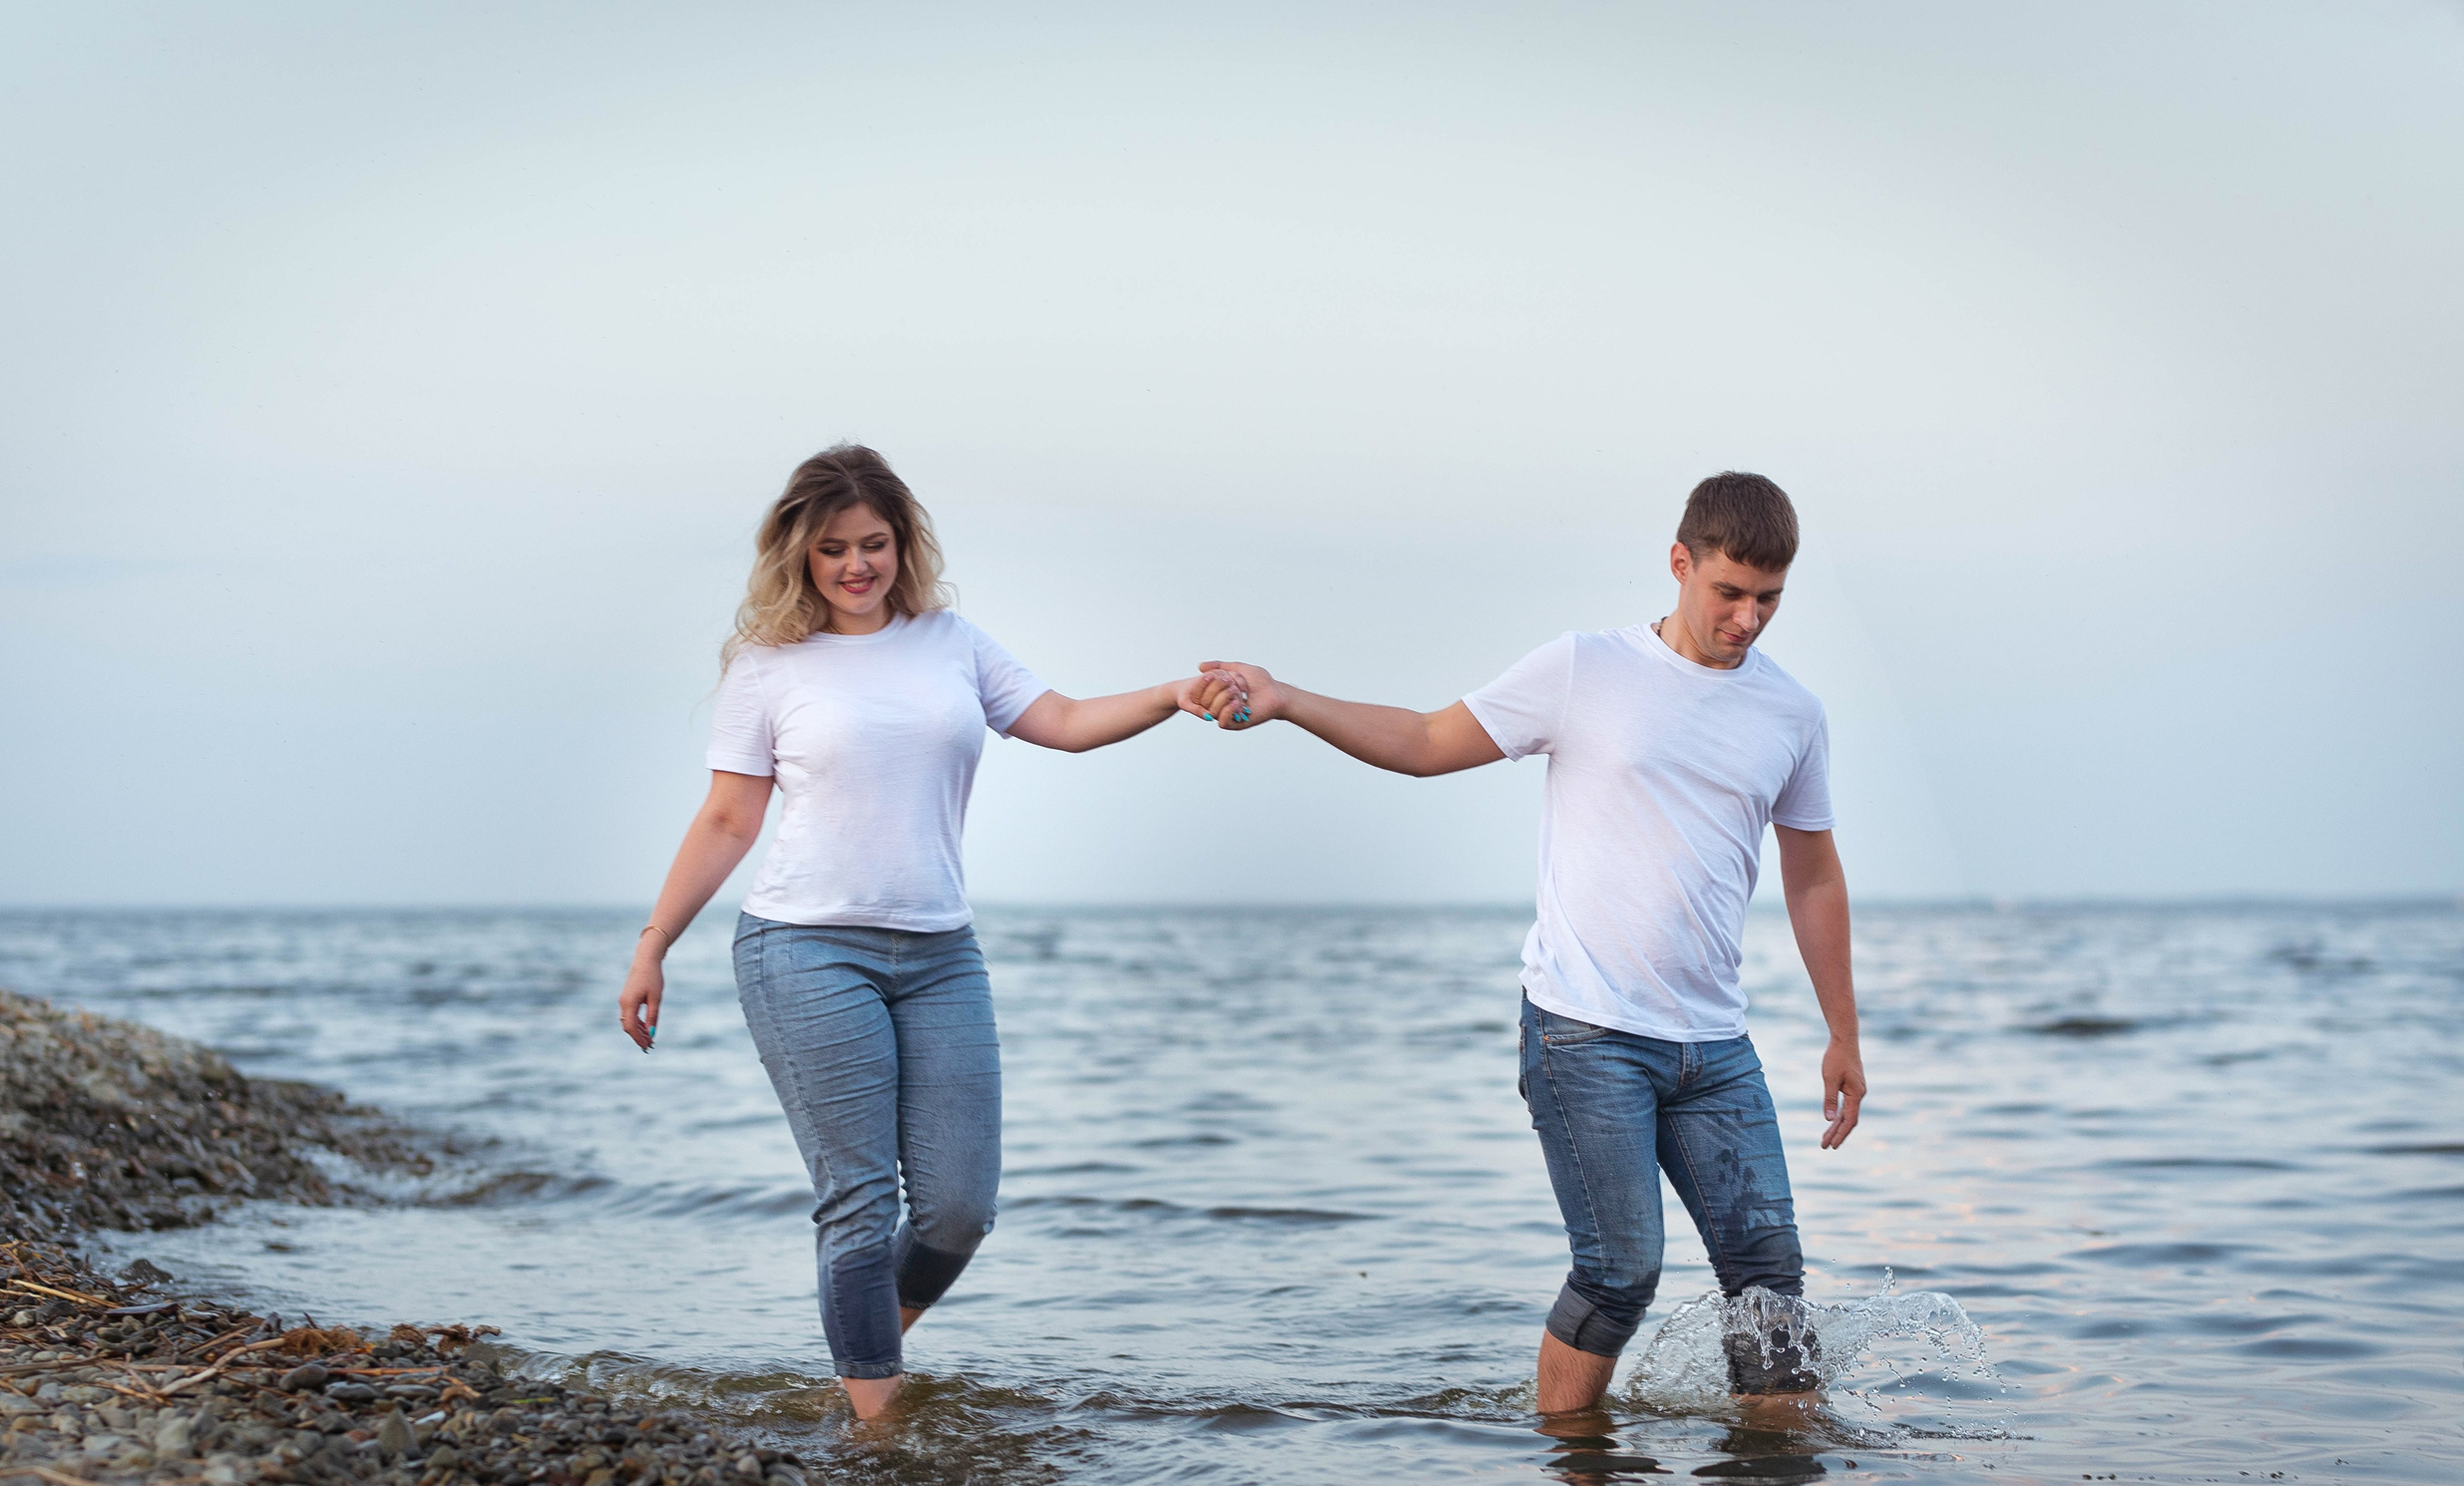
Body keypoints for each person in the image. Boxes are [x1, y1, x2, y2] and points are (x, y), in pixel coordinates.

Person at [1194, 472, 1862, 1412]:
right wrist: (1288, 699)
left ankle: (1777, 1485)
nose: (1748, 618)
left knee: (1769, 1280)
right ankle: (1575, 1470)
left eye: (1769, 599)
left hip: (1715, 1047)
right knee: (1619, 1271)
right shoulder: (1588, 668)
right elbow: (1427, 741)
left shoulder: (1791, 712)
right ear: (1680, 563)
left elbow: (1814, 873)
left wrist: (1843, 1031)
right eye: (1730, 592)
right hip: (1584, 1030)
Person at [618, 444, 1233, 1420]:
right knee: (860, 1202)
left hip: (942, 954)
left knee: (958, 1209)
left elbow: (1064, 720)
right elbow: (729, 818)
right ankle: (876, 1430)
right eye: (832, 549)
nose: (855, 565)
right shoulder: (768, 666)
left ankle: (860, 1363)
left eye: (873, 543)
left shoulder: (952, 641)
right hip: (805, 948)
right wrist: (655, 943)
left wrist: (1172, 694)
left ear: (903, 543)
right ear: (800, 555)